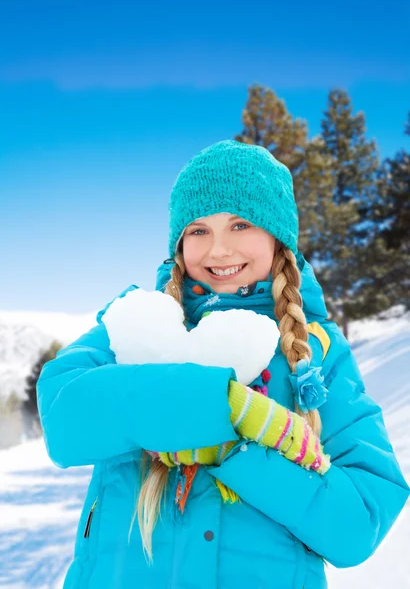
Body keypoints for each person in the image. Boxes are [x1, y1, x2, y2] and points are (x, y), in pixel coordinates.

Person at [37, 139, 410, 589]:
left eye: (240, 224)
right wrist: (223, 407)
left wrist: (235, 453)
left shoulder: (316, 353)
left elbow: (358, 525)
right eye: (198, 230)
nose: (218, 250)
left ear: (278, 237)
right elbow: (63, 413)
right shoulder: (139, 324)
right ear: (179, 244)